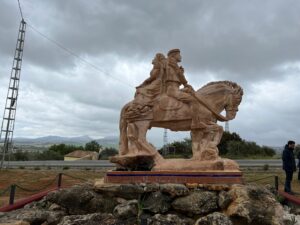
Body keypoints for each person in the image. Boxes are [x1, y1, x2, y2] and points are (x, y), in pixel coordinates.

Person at [164, 49, 204, 129]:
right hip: (172, 89)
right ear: (174, 55)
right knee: (193, 100)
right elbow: (179, 75)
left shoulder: (171, 63)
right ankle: (196, 123)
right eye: (179, 55)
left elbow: (177, 75)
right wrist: (185, 83)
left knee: (192, 93)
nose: (180, 56)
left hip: (175, 88)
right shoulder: (171, 62)